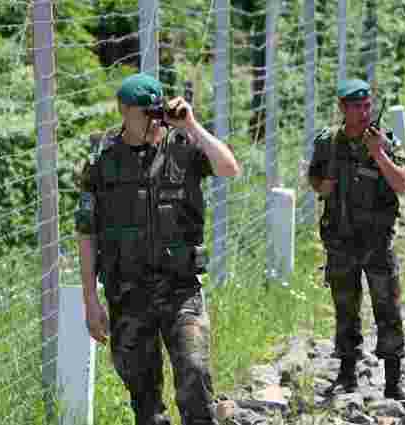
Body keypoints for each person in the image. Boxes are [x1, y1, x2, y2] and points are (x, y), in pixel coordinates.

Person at [75, 73, 240, 425]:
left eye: (156, 111)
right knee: (145, 402)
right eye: (143, 113)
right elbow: (86, 231)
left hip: (180, 289)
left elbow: (229, 167)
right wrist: (90, 299)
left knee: (194, 376)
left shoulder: (183, 146)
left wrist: (192, 124)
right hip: (129, 293)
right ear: (123, 111)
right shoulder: (102, 160)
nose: (152, 120)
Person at [308, 79, 405, 400]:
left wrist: (378, 153)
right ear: (342, 108)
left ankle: (393, 383)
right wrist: (324, 186)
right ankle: (346, 374)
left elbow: (402, 183)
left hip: (377, 244)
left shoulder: (385, 141)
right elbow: (315, 177)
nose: (364, 112)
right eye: (356, 106)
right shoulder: (329, 143)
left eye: (367, 106)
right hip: (340, 242)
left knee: (387, 309)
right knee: (345, 309)